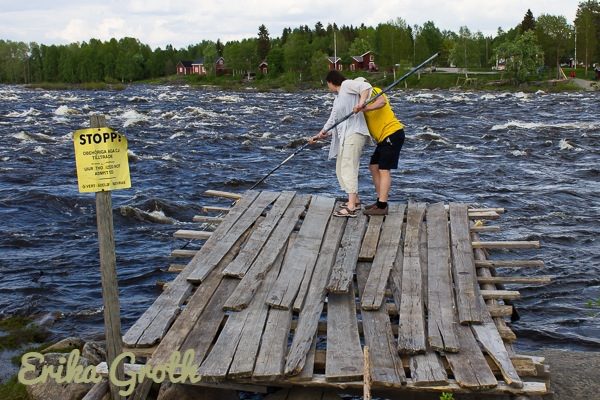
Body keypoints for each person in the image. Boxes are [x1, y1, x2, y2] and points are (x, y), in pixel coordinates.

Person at [309, 70, 372, 217]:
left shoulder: (347, 85)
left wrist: (361, 104)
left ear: (331, 81)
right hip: (345, 135)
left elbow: (366, 87)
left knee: (349, 167)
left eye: (327, 84)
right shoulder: (337, 99)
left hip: (355, 133)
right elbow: (333, 121)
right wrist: (319, 135)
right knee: (340, 169)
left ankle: (351, 207)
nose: (328, 87)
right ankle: (355, 200)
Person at [353, 77, 405, 216]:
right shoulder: (361, 101)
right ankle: (379, 201)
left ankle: (382, 206)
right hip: (383, 139)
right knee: (374, 166)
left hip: (392, 133)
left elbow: (381, 102)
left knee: (384, 169)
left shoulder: (375, 91)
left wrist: (366, 108)